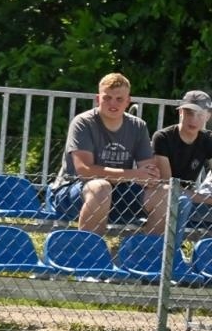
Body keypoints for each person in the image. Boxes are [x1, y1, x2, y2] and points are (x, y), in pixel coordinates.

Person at [49, 72, 166, 234]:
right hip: (73, 191)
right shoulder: (83, 122)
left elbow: (147, 171)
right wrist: (135, 175)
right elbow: (85, 171)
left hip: (120, 190)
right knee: (101, 188)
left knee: (164, 193)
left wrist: (150, 176)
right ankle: (89, 248)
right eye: (107, 98)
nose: (113, 103)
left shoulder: (138, 126)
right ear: (98, 99)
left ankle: (149, 249)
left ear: (128, 101)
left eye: (119, 99)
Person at [151, 90, 212, 235]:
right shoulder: (163, 137)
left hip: (192, 198)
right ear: (180, 112)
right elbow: (168, 186)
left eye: (200, 114)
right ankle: (172, 249)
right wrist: (207, 199)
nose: (193, 119)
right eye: (189, 113)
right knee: (182, 202)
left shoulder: (208, 139)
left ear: (208, 116)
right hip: (163, 198)